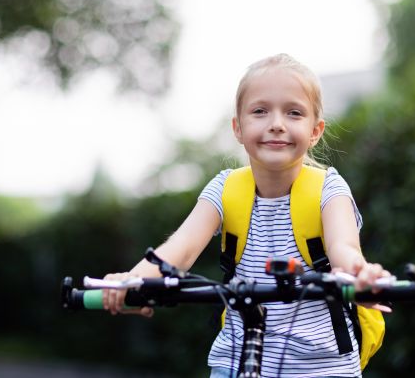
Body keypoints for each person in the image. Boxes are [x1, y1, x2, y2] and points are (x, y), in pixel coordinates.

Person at [103, 54, 391, 377]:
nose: (277, 123)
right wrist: (132, 279)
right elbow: (180, 249)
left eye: (294, 113)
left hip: (322, 368)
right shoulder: (225, 189)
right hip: (236, 362)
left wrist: (359, 274)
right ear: (238, 128)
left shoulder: (329, 189)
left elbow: (344, 249)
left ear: (315, 131)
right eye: (260, 111)